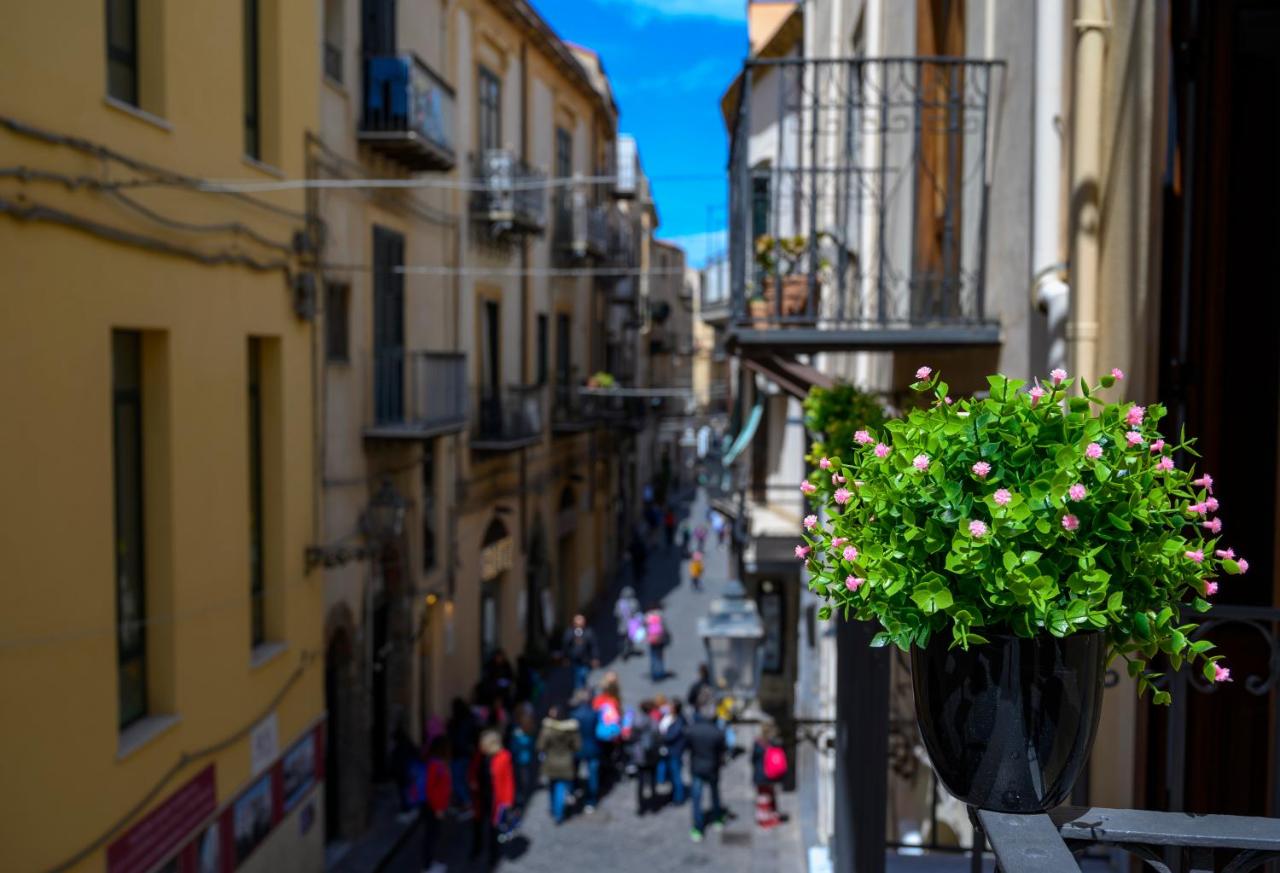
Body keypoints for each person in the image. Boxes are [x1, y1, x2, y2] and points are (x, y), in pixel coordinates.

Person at [685, 701, 728, 842]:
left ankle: (697, 828)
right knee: (715, 794)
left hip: (697, 767)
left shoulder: (691, 730)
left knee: (697, 799)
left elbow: (688, 748)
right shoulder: (717, 733)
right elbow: (723, 751)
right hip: (712, 768)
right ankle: (717, 819)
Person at [472, 730, 515, 866]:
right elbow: (473, 769)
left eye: (483, 743)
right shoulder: (480, 755)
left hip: (495, 798)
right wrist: (472, 780)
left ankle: (493, 855)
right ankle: (477, 848)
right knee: (477, 824)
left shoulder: (503, 757)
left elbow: (508, 780)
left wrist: (507, 801)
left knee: (493, 828)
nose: (480, 746)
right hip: (480, 796)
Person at [536, 704, 581, 825]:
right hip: (566, 762)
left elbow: (540, 746)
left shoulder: (548, 729)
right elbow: (577, 746)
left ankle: (553, 808)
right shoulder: (572, 730)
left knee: (552, 786)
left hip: (551, 762)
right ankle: (558, 814)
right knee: (560, 788)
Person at [422, 736, 452, 873]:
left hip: (438, 807)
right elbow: (430, 789)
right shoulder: (435, 765)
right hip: (434, 808)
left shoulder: (439, 763)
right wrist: (437, 808)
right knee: (432, 836)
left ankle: (430, 863)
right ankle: (428, 867)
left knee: (434, 835)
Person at [570, 689, 602, 812]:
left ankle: (573, 790)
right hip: (592, 747)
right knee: (592, 775)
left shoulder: (574, 715)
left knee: (574, 771)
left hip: (577, 748)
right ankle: (591, 801)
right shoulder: (594, 714)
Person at [629, 701, 662, 815]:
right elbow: (658, 737)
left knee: (640, 782)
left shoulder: (636, 721)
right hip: (651, 755)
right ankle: (653, 806)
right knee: (652, 781)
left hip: (639, 755)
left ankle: (641, 807)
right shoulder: (654, 722)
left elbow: (631, 737)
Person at [752, 721, 787, 828]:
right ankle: (770, 815)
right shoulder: (775, 743)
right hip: (772, 774)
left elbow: (753, 759)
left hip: (760, 774)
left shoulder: (758, 743)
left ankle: (763, 818)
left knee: (763, 796)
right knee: (770, 794)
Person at [447, 698, 477, 812]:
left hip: (459, 754)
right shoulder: (469, 719)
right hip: (466, 754)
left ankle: (467, 803)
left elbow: (457, 740)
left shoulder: (458, 722)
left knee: (457, 781)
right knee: (463, 779)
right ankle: (465, 802)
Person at [508, 703, 538, 809]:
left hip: (520, 758)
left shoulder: (517, 732)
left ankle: (521, 795)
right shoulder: (529, 728)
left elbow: (514, 747)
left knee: (520, 777)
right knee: (525, 776)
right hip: (527, 757)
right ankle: (524, 792)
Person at [660, 699, 688, 805]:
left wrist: (662, 736)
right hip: (672, 750)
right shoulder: (673, 718)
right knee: (672, 775)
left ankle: (678, 798)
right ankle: (674, 794)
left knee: (676, 775)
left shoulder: (679, 721)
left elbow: (670, 736)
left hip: (675, 751)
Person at [561, 614, 598, 691]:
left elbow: (593, 646)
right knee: (576, 677)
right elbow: (565, 645)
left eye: (581, 624)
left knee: (583, 676)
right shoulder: (570, 632)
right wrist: (565, 658)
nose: (579, 626)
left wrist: (594, 658)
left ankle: (583, 691)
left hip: (585, 660)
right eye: (577, 624)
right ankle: (579, 691)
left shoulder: (588, 632)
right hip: (573, 660)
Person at [614, 586, 641, 659]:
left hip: (622, 625)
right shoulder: (635, 602)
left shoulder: (619, 603)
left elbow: (616, 614)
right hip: (632, 625)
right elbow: (637, 613)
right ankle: (628, 649)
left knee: (622, 639)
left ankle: (623, 651)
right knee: (630, 639)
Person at [645, 606, 669, 682]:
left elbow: (646, 627)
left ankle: (654, 674)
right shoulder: (660, 615)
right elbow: (664, 627)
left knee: (653, 657)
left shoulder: (648, 616)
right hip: (659, 639)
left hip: (652, 640)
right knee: (660, 657)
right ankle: (661, 673)